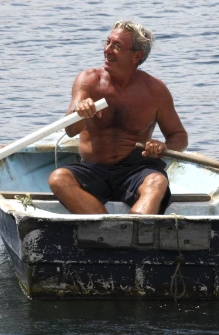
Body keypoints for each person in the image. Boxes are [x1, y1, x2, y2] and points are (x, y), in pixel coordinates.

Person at [48, 20, 188, 215]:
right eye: (107, 42)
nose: (107, 50)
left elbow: (179, 136)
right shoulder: (88, 80)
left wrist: (164, 148)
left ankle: (137, 228)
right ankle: (105, 229)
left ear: (136, 56)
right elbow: (70, 130)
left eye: (117, 46)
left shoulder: (155, 90)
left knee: (157, 181)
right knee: (58, 178)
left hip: (137, 170)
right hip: (93, 169)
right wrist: (79, 112)